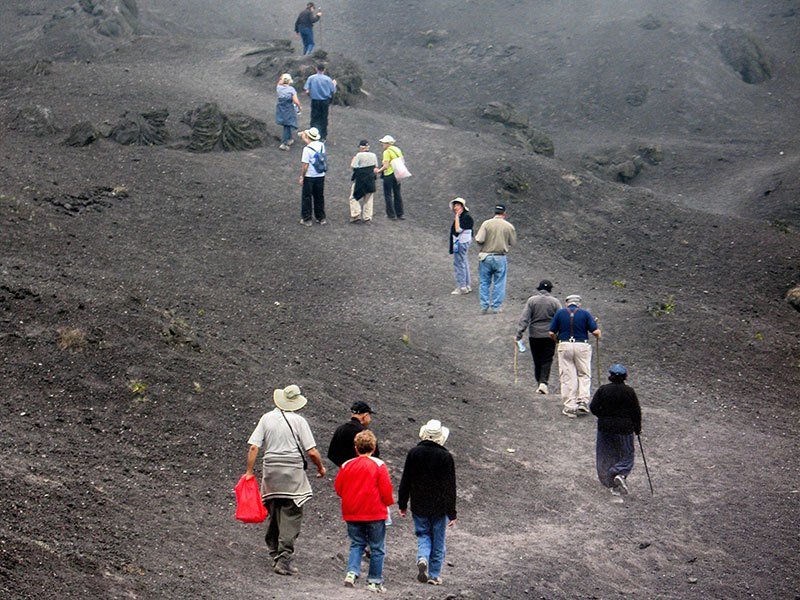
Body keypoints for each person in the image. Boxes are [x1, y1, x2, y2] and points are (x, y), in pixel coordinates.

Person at [243, 384, 326, 575]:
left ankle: (273, 548)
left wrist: (249, 472)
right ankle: (284, 557)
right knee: (292, 511)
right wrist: (320, 468)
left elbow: (254, 447)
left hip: (271, 472)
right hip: (292, 473)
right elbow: (311, 451)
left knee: (275, 509)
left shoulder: (266, 418)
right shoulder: (299, 421)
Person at [398, 420, 457, 586]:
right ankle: (434, 574)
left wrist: (402, 504)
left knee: (423, 534)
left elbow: (406, 481)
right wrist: (452, 512)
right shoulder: (446, 457)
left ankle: (422, 557)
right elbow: (449, 487)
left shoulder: (413, 453)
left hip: (418, 504)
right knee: (438, 540)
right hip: (439, 507)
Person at [334, 430, 394, 592]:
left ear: (356, 448)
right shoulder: (379, 465)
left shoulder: (346, 465)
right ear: (373, 448)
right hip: (375, 512)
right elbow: (386, 490)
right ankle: (374, 581)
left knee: (357, 543)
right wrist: (388, 503)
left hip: (352, 511)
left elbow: (338, 488)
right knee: (377, 547)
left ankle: (351, 573)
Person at [589, 364, 642, 496]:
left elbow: (593, 407)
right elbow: (636, 412)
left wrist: (603, 417)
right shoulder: (629, 392)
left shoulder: (603, 390)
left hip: (605, 428)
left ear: (610, 376)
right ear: (625, 377)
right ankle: (619, 473)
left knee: (606, 455)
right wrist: (637, 428)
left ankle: (610, 482)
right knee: (626, 455)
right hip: (625, 429)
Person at [548, 294, 601, 418]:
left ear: (567, 303)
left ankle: (570, 406)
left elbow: (551, 332)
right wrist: (599, 335)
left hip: (565, 345)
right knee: (584, 374)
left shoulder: (560, 313)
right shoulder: (585, 314)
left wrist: (557, 341)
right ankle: (582, 401)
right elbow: (595, 332)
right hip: (582, 346)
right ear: (579, 304)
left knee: (567, 375)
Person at [515, 280, 563, 394]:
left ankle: (539, 383)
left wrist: (519, 333)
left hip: (534, 335)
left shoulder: (532, 301)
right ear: (550, 289)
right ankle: (543, 383)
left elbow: (524, 318)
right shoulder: (555, 302)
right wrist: (560, 335)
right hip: (550, 335)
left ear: (539, 289)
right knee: (547, 359)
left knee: (537, 360)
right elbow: (561, 318)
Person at [474, 204, 517, 313]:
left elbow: (479, 239)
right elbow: (513, 242)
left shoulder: (486, 223)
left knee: (484, 282)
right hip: (500, 257)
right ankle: (496, 307)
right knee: (499, 282)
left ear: (494, 212)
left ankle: (484, 306)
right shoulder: (509, 226)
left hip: (485, 256)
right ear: (504, 213)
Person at [328, 401, 380, 467]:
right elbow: (375, 456)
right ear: (365, 415)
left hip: (346, 473)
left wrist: (345, 466)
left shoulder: (340, 429)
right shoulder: (365, 433)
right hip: (364, 473)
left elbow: (331, 455)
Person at [298, 127, 326, 226]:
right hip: (320, 175)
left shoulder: (306, 149)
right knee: (319, 196)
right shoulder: (322, 145)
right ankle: (321, 217)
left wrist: (302, 176)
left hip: (310, 176)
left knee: (307, 197)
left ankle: (307, 219)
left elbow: (305, 165)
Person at [374, 135, 404, 220]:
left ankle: (391, 214)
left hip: (389, 174)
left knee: (388, 194)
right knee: (397, 193)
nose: (382, 145)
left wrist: (379, 171)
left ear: (387, 143)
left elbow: (386, 166)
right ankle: (400, 213)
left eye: (383, 143)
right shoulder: (397, 150)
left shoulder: (387, 152)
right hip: (397, 174)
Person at [303, 64, 336, 141]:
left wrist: (310, 95)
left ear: (316, 69)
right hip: (325, 101)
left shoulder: (311, 78)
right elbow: (333, 91)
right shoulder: (328, 79)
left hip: (315, 100)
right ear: (324, 70)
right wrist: (334, 84)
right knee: (324, 118)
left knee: (314, 117)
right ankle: (323, 136)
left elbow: (306, 90)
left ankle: (312, 134)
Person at [448, 198, 474, 295]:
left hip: (460, 242)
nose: (455, 208)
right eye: (454, 206)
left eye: (457, 205)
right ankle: (467, 285)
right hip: (463, 242)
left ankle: (462, 286)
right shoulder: (466, 216)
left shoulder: (464, 217)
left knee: (459, 263)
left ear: (462, 206)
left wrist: (457, 217)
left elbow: (458, 229)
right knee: (463, 261)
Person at [349, 140, 378, 224]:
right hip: (370, 180)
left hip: (360, 180)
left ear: (361, 147)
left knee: (353, 197)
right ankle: (367, 217)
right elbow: (375, 168)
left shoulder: (359, 155)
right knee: (368, 199)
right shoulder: (373, 155)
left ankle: (356, 215)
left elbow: (353, 166)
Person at [275, 73, 302, 151]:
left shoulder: (279, 88)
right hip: (288, 108)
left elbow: (279, 82)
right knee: (287, 125)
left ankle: (289, 139)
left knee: (286, 124)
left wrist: (282, 78)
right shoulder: (291, 90)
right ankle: (284, 143)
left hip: (281, 108)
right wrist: (299, 107)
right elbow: (296, 101)